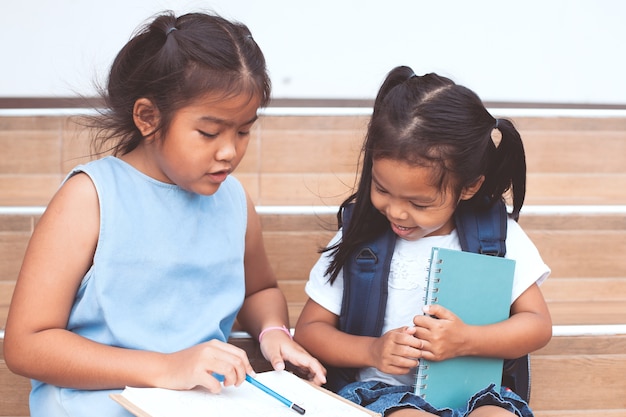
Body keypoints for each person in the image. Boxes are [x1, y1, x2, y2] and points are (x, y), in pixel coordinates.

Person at [3, 11, 325, 417]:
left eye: (243, 131)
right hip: (95, 402)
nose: (230, 151)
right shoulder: (90, 197)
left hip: (198, 403)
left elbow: (257, 290)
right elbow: (25, 344)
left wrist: (273, 331)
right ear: (148, 118)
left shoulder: (233, 200)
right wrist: (166, 367)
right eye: (210, 133)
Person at [294, 66, 552, 417]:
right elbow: (309, 330)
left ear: (469, 187)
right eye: (382, 189)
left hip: (477, 391)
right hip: (384, 394)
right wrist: (372, 351)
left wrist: (467, 340)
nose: (397, 212)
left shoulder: (498, 237)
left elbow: (537, 325)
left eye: (419, 203)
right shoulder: (361, 238)